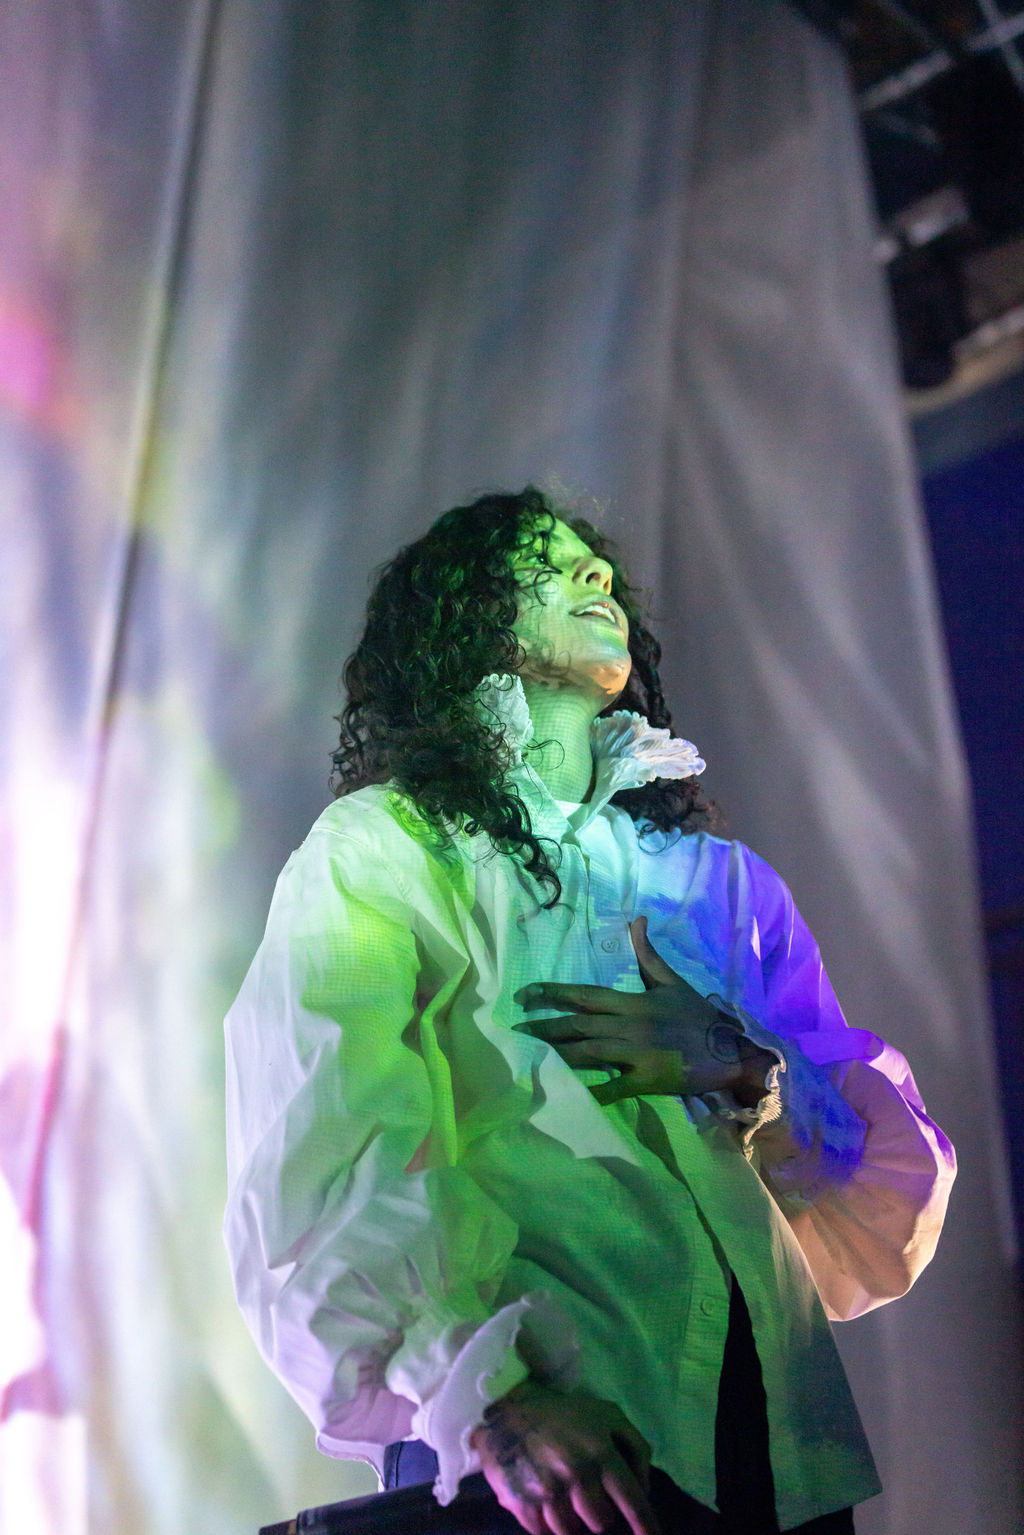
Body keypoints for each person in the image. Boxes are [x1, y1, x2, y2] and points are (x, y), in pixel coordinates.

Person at [223, 487, 956, 1535]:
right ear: (462, 618)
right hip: (537, 1439)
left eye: (595, 562)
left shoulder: (723, 883)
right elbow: (326, 1152)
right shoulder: (383, 847)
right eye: (544, 560)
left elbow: (876, 1202)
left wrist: (747, 1074)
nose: (595, 573)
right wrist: (494, 1399)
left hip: (772, 1453)